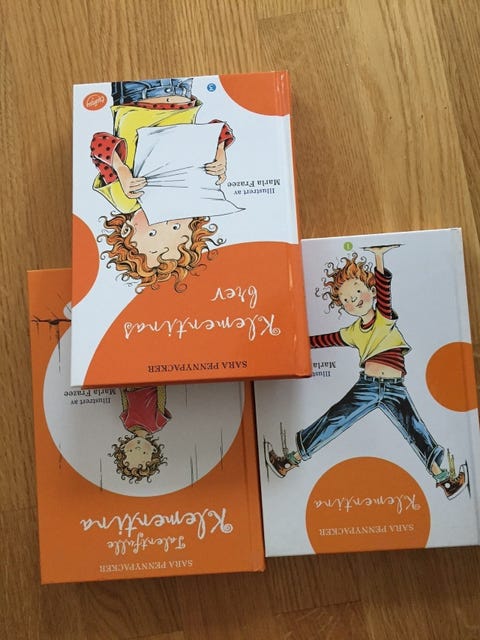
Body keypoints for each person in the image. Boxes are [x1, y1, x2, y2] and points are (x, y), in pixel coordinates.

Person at [266, 245, 468, 500]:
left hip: (395, 388)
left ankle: (445, 480)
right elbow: (320, 341)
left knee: (416, 430)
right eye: (346, 300)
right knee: (334, 419)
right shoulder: (352, 332)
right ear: (342, 306)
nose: (353, 301)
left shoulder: (384, 317)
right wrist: (288, 340)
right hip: (367, 386)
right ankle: (288, 462)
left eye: (357, 292)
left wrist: (378, 257)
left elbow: (384, 291)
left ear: (371, 291)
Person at [91, 77, 234, 291]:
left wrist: (121, 169)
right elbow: (218, 128)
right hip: (183, 93)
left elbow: (98, 143)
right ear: (192, 225)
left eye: (152, 234)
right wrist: (220, 154)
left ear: (127, 230)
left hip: (136, 93)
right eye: (176, 228)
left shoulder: (125, 201)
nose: (164, 224)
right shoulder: (192, 193)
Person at [111, 385, 171, 482]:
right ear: (153, 449)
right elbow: (161, 400)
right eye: (144, 452)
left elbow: (125, 403)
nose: (138, 448)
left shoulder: (127, 424)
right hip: (150, 384)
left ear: (123, 447)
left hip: (131, 386)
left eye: (130, 451)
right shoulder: (157, 425)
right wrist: (160, 382)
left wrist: (123, 387)